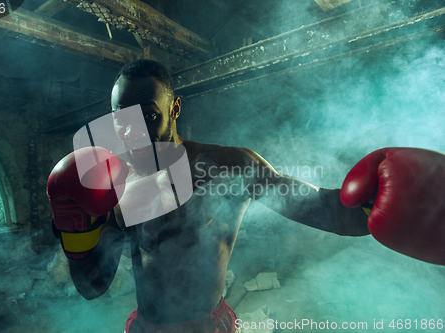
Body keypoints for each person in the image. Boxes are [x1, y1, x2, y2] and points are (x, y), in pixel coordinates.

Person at [55, 59, 371, 333]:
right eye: (121, 120)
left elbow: (318, 207)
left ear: (174, 108)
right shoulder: (114, 183)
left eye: (148, 117)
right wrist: (75, 231)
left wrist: (384, 207)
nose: (130, 134)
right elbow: (92, 286)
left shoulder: (227, 166)